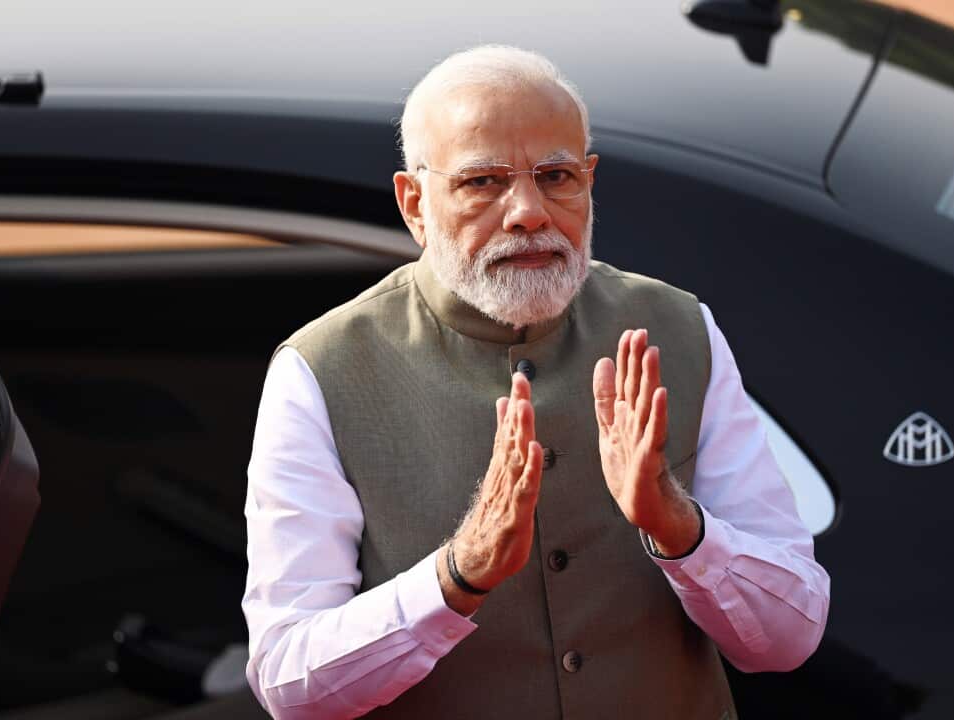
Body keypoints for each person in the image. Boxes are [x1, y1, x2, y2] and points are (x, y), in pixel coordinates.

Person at [243, 45, 830, 719]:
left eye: (555, 176)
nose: (528, 211)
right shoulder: (323, 370)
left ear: (589, 181)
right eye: (483, 182)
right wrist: (457, 576)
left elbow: (788, 640)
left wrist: (679, 527)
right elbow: (290, 682)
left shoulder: (676, 326)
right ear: (414, 203)